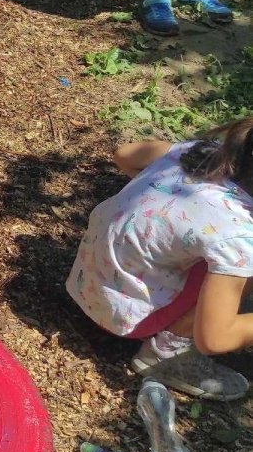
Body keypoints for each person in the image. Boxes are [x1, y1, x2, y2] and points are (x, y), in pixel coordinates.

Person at [67, 120, 253, 400]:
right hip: (125, 316)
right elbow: (215, 337)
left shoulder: (199, 153)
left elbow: (124, 153)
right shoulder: (240, 232)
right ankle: (167, 353)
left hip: (86, 280)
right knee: (243, 264)